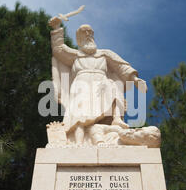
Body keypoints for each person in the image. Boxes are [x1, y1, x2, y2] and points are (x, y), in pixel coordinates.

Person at [49, 16, 147, 145]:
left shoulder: (105, 53)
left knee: (112, 85)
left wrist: (135, 79)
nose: (88, 34)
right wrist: (56, 28)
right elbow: (58, 50)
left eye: (90, 32)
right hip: (81, 86)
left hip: (101, 85)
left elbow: (121, 66)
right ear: (79, 39)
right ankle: (78, 141)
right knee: (80, 115)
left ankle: (116, 119)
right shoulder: (75, 55)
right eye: (84, 32)